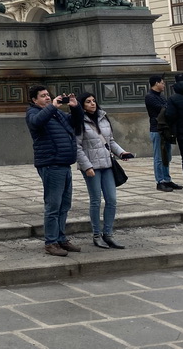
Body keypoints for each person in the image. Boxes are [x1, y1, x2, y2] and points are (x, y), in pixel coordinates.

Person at [26, 85, 82, 256]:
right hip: (51, 164)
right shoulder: (33, 113)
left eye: (48, 95)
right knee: (53, 205)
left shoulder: (56, 113)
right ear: (34, 100)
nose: (48, 98)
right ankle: (51, 242)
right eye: (43, 96)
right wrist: (53, 107)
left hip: (64, 163)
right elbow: (37, 122)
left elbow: (75, 123)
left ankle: (61, 238)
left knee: (65, 204)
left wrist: (75, 107)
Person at [75, 93, 134, 249]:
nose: (92, 104)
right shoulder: (79, 121)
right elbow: (77, 147)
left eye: (94, 100)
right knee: (95, 200)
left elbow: (110, 141)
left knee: (112, 200)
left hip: (107, 164)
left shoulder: (103, 117)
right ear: (82, 105)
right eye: (88, 102)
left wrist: (122, 153)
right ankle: (96, 234)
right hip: (91, 167)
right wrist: (87, 166)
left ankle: (108, 234)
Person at [145, 75, 181, 192]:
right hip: (157, 129)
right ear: (156, 83)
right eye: (162, 83)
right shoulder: (150, 97)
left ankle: (167, 179)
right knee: (159, 157)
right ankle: (160, 181)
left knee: (167, 156)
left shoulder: (161, 96)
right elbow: (164, 109)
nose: (163, 85)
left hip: (166, 129)